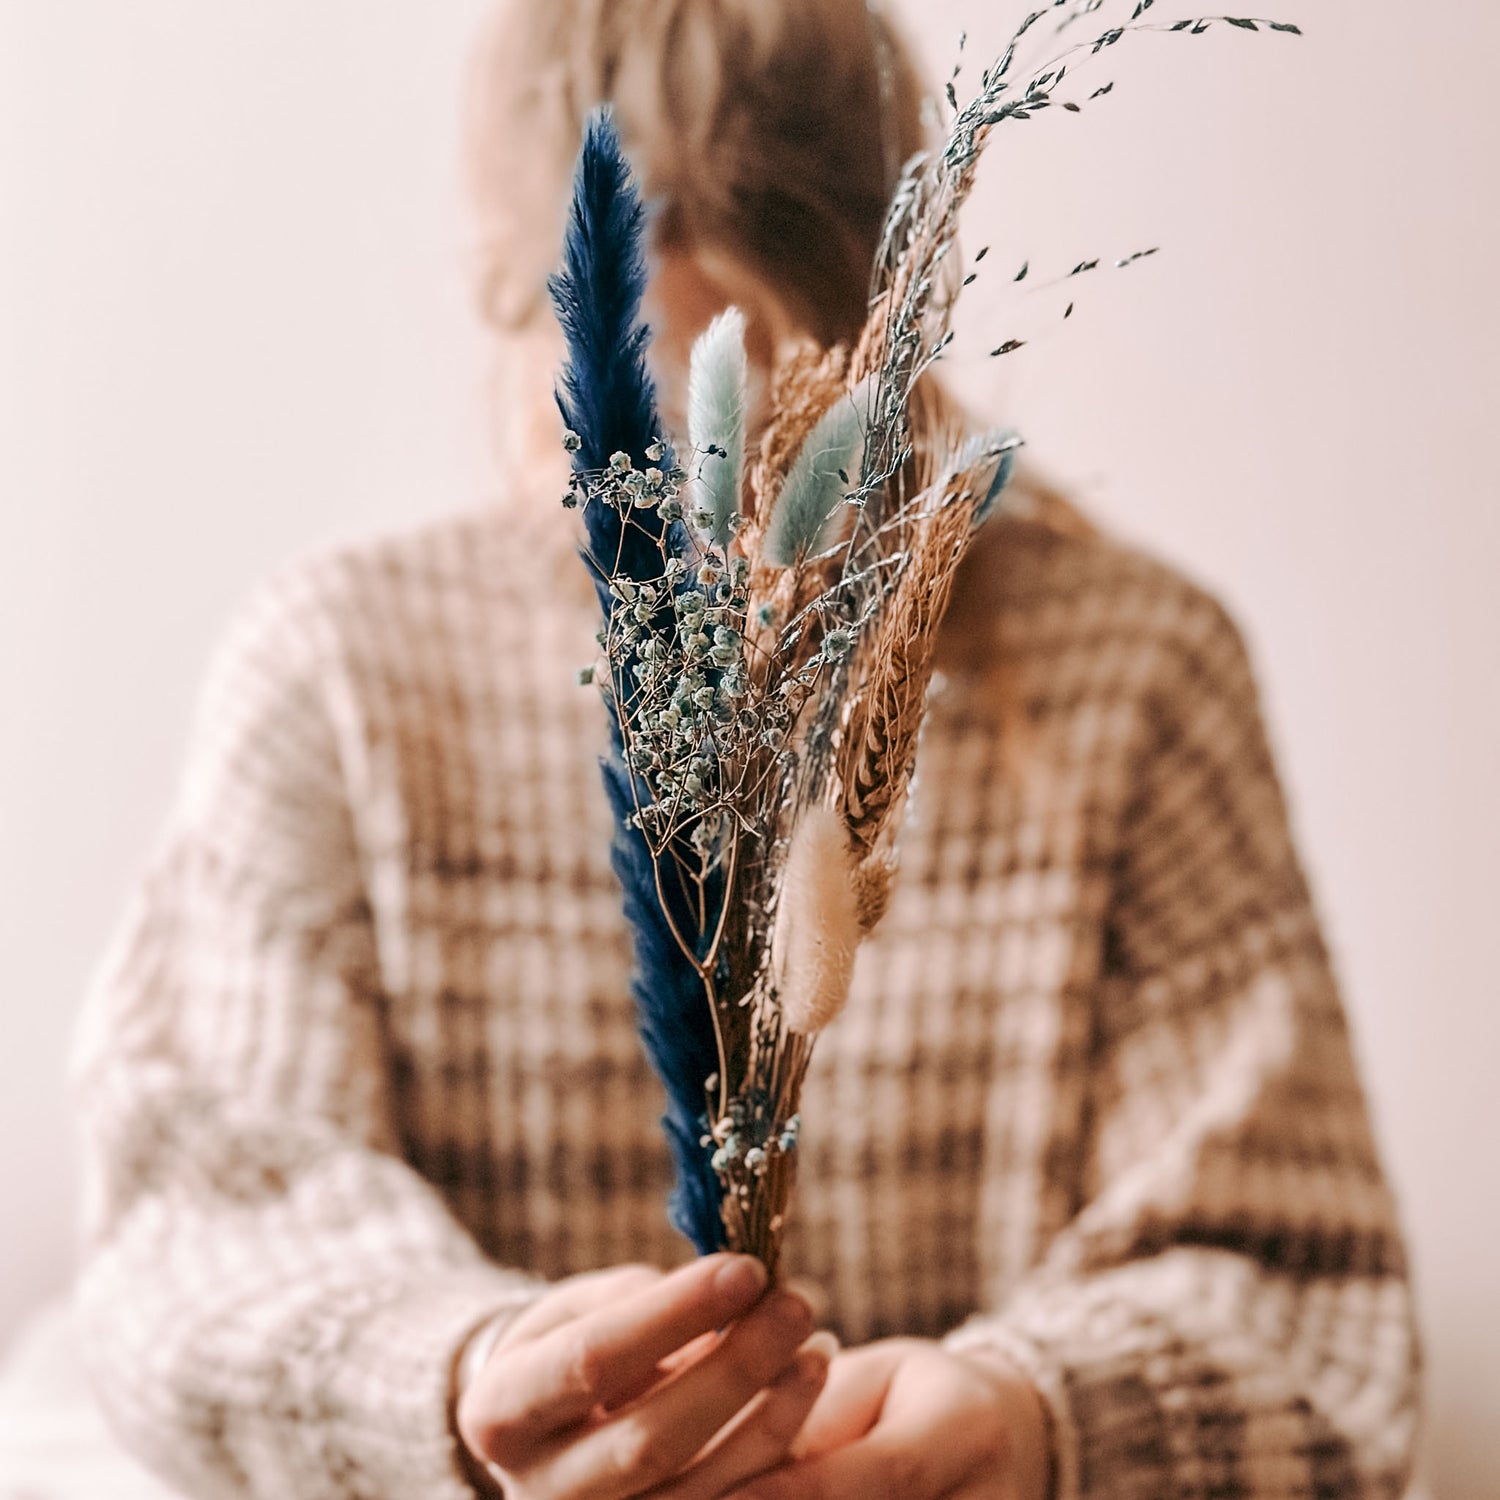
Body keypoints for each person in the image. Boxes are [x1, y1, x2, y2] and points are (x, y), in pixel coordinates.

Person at [70, 1, 1421, 1497]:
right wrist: (453, 1380)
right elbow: (190, 1223)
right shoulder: (338, 676)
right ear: (513, 310)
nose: (703, 529)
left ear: (890, 310)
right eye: (621, 419)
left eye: (772, 381)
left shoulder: (1139, 680)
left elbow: (1305, 1288)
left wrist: (1033, 1417)